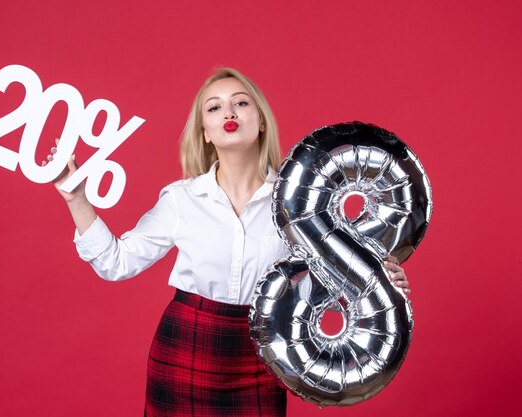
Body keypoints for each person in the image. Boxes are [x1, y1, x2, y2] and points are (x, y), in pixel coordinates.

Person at [44, 68, 411, 416]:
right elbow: (116, 262)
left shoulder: (302, 205)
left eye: (241, 102)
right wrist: (76, 198)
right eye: (214, 107)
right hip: (186, 347)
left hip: (263, 354)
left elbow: (319, 297)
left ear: (261, 120)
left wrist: (377, 287)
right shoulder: (180, 199)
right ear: (205, 131)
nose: (229, 112)